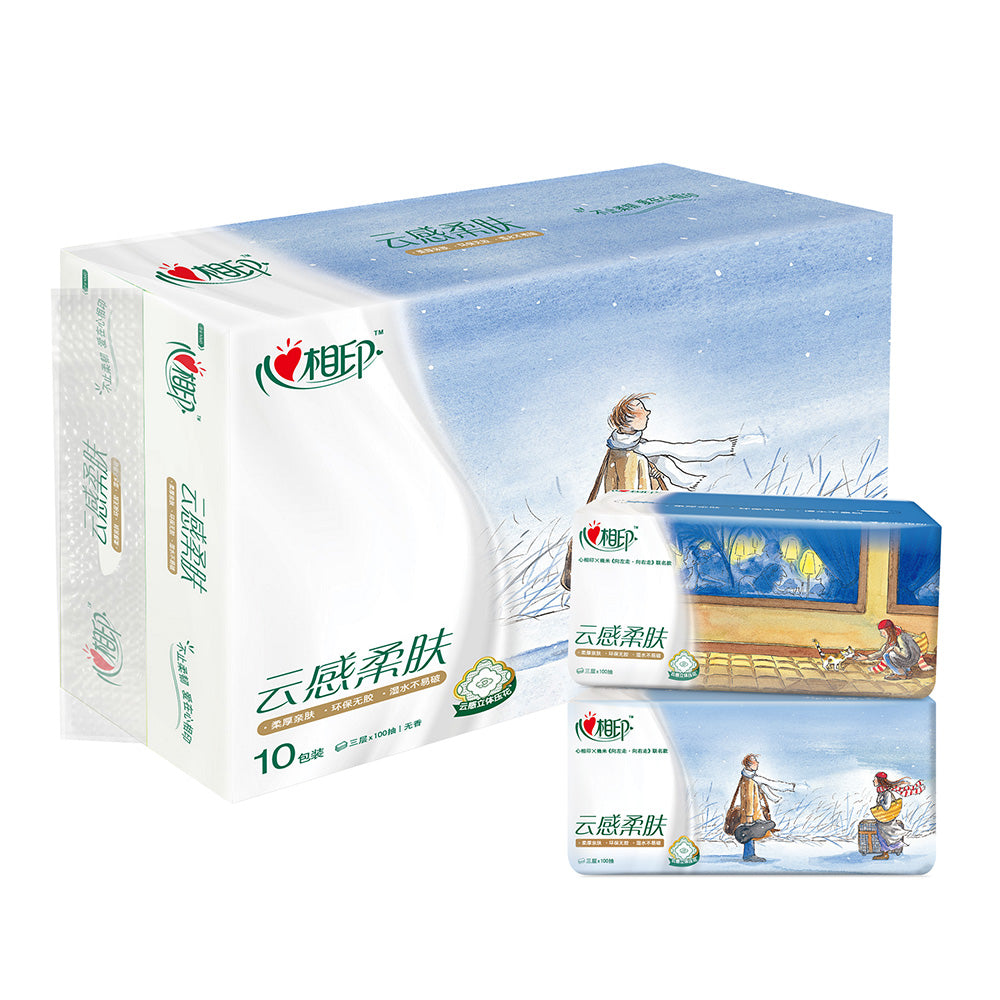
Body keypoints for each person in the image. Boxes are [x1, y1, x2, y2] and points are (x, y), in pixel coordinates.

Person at [727, 753, 796, 862]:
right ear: (749, 765)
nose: (757, 763)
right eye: (755, 761)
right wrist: (749, 816)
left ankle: (750, 854)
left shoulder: (750, 778)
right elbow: (748, 799)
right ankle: (749, 855)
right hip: (749, 813)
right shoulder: (749, 780)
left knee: (750, 833)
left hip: (751, 812)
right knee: (748, 833)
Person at [870, 771, 909, 860]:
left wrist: (880, 804)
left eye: (875, 779)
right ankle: (885, 853)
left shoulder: (886, 793)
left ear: (879, 781)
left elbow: (887, 807)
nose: (873, 781)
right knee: (882, 836)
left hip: (887, 821)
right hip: (883, 820)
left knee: (885, 836)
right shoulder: (882, 792)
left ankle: (885, 854)